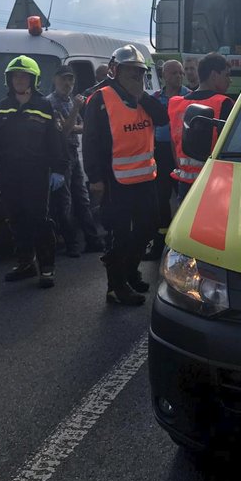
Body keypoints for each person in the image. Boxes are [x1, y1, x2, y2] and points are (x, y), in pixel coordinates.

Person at [83, 45, 168, 306]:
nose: (136, 78)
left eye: (140, 73)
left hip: (144, 179)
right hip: (114, 180)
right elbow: (91, 142)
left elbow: (163, 119)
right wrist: (95, 178)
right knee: (117, 234)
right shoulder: (100, 99)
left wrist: (141, 95)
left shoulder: (143, 98)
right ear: (116, 72)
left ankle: (130, 271)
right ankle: (116, 286)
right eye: (131, 73)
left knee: (147, 228)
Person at [0, 56, 67, 288]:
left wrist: (58, 169)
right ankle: (26, 263)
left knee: (39, 219)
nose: (19, 80)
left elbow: (54, 141)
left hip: (36, 174)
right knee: (16, 219)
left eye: (24, 76)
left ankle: (47, 267)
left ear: (33, 79)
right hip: (8, 174)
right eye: (15, 76)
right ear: (9, 79)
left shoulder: (44, 107)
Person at [45, 66, 102, 257]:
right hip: (59, 155)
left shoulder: (69, 101)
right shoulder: (50, 103)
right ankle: (71, 243)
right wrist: (76, 111)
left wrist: (71, 122)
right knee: (65, 202)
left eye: (70, 80)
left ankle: (92, 240)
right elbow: (63, 132)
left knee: (82, 197)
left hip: (72, 153)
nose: (67, 84)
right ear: (55, 80)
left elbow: (82, 126)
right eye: (63, 80)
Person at [168, 52, 234, 200]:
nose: (229, 81)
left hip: (184, 183)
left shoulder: (175, 103)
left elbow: (173, 142)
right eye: (226, 75)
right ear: (214, 75)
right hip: (212, 183)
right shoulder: (223, 103)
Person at [146, 59, 189, 260]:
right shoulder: (155, 98)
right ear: (164, 76)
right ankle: (159, 245)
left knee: (185, 199)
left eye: (180, 72)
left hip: (182, 152)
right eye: (173, 73)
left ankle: (185, 246)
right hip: (161, 152)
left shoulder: (190, 96)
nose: (178, 76)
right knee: (160, 200)